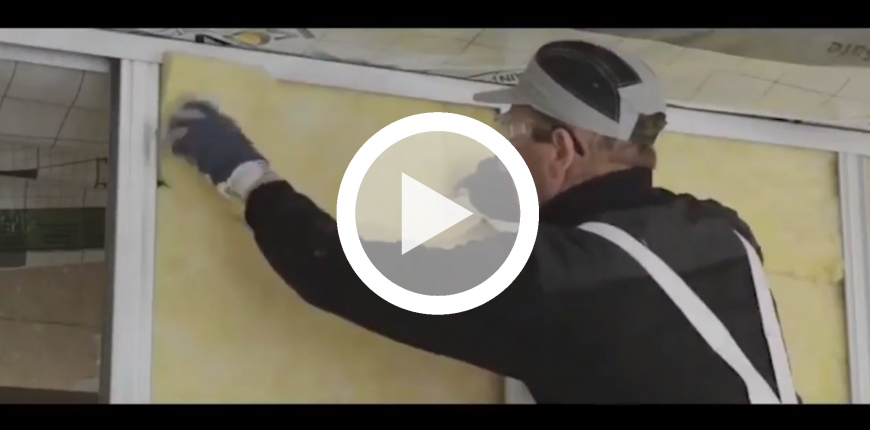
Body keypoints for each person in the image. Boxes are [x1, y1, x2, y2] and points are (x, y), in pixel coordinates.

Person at [167, 40, 799, 404]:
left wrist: (244, 173)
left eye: (514, 128)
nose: (504, 143)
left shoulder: (553, 283)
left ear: (562, 149)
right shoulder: (726, 233)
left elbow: (338, 270)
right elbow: (626, 268)